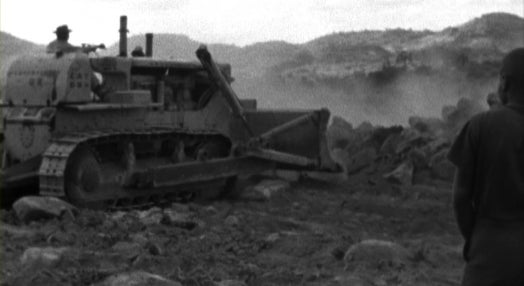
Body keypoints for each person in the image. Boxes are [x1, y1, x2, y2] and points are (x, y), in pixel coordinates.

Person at [448, 47, 524, 286]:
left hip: (489, 252)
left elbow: (460, 197)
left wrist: (477, 238)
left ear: (504, 83)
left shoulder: (480, 126)